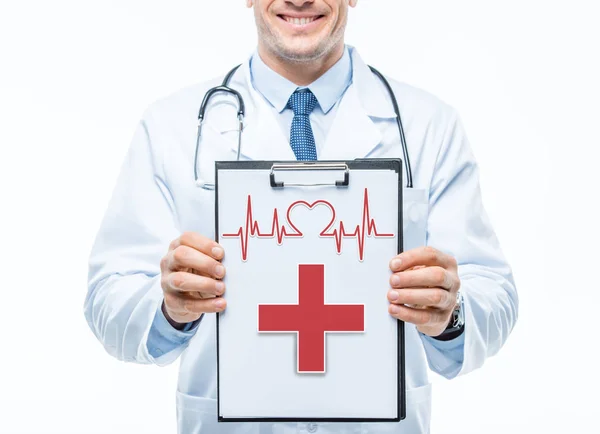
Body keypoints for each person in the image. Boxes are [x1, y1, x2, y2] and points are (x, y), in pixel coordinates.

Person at [85, 0, 518, 432]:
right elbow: (108, 296)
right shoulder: (171, 127)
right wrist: (169, 306)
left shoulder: (428, 126)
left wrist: (450, 313)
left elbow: (495, 294)